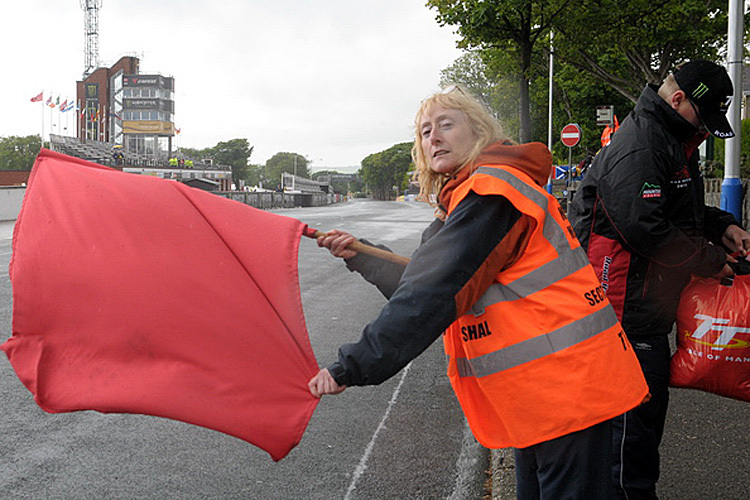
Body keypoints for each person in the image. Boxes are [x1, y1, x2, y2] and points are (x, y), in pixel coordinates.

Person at [309, 86, 650, 499]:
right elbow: (425, 282)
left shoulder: (491, 194)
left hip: (567, 388)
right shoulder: (465, 199)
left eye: (446, 124)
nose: (433, 136)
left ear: (479, 132)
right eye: (424, 130)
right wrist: (363, 256)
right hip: (546, 393)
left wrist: (351, 365)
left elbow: (431, 294)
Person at [568, 60, 750, 499]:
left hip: (643, 311)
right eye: (701, 116)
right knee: (628, 444)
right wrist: (710, 261)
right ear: (678, 99)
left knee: (638, 436)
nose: (704, 129)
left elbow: (675, 209)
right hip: (620, 314)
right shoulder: (643, 146)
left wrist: (719, 224)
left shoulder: (667, 138)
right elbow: (643, 225)